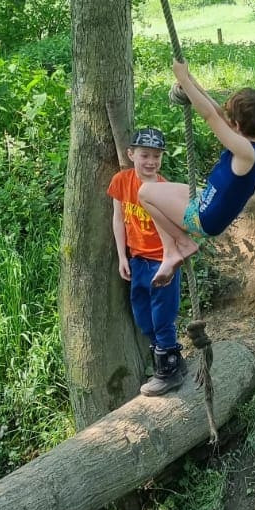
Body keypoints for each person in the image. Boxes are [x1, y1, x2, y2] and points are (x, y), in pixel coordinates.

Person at [138, 60, 255, 288]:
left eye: (232, 122)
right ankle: (172, 250)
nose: (227, 122)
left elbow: (211, 116)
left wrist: (182, 80)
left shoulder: (245, 153)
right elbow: (219, 113)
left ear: (238, 125)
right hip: (205, 199)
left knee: (144, 193)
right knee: (158, 192)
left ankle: (181, 244)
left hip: (205, 219)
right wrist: (189, 80)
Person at [107, 127, 187, 397]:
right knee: (144, 318)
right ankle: (172, 359)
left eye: (156, 156)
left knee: (162, 317)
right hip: (138, 260)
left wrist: (171, 260)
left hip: (162, 261)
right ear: (131, 154)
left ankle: (168, 373)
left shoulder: (164, 189)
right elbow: (118, 219)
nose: (151, 161)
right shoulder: (121, 181)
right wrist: (122, 256)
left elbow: (178, 227)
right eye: (145, 155)